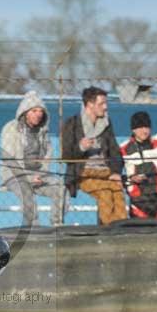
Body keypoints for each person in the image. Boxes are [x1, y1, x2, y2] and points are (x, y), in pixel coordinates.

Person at [61, 86, 127, 225]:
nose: (106, 107)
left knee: (117, 191)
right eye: (101, 103)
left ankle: (122, 229)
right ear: (90, 104)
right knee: (105, 193)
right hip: (84, 173)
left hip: (105, 172)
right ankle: (109, 232)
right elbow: (65, 155)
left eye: (106, 103)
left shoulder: (106, 124)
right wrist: (81, 147)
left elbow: (115, 151)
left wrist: (116, 172)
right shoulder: (72, 124)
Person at [0, 91, 66, 226]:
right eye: (34, 110)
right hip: (14, 174)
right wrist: (28, 178)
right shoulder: (11, 129)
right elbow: (9, 158)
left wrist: (41, 174)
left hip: (38, 174)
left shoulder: (43, 131)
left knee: (61, 189)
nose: (38, 114)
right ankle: (33, 228)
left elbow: (48, 154)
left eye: (41, 111)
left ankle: (57, 224)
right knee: (27, 195)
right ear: (25, 112)